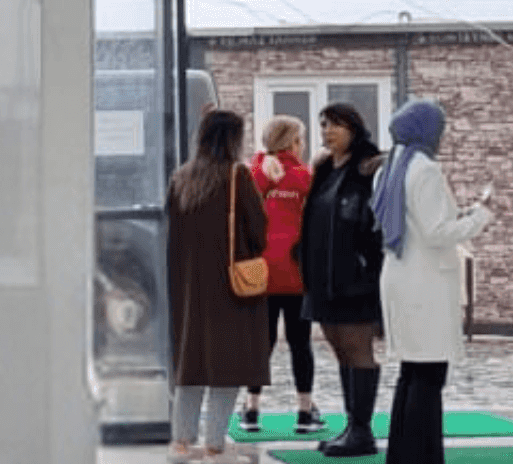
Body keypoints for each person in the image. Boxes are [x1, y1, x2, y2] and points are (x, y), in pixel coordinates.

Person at [372, 99, 494, 464]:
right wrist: (483, 215)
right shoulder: (422, 169)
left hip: (400, 275)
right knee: (428, 375)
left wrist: (464, 212)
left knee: (412, 372)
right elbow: (437, 231)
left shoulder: (389, 167)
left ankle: (406, 453)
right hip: (423, 281)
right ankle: (422, 456)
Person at [165, 109, 269, 464]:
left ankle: (181, 442)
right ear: (232, 139)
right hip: (230, 289)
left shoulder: (180, 178)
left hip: (189, 288)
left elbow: (171, 237)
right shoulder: (237, 177)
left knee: (190, 365)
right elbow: (259, 231)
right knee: (228, 365)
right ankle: (214, 444)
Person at [300, 104, 385, 457]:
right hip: (323, 278)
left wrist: (368, 265)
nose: (327, 131)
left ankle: (363, 432)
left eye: (335, 124)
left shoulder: (369, 166)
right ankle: (352, 425)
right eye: (323, 125)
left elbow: (377, 223)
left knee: (357, 348)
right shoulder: (324, 169)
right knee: (338, 347)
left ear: (354, 128)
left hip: (356, 278)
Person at [239, 116, 322, 435]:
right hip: (296, 273)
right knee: (301, 343)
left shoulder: (252, 174)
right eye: (300, 140)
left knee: (262, 342)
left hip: (259, 273)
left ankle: (252, 409)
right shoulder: (304, 177)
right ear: (292, 143)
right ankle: (304, 412)